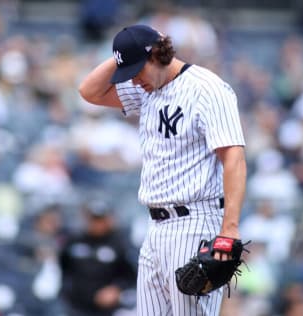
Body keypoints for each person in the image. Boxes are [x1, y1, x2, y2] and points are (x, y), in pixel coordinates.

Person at [78, 24, 247, 316]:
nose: (132, 79)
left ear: (157, 55)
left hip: (194, 221)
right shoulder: (148, 89)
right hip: (155, 227)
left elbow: (233, 157)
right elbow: (89, 91)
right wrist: (124, 54)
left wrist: (228, 230)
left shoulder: (206, 88)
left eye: (135, 69)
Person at [60, 199, 136, 316]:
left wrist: (117, 289)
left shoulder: (120, 243)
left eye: (100, 219)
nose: (97, 224)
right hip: (75, 306)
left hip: (108, 309)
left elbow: (132, 276)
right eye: (93, 219)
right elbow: (62, 268)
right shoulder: (74, 240)